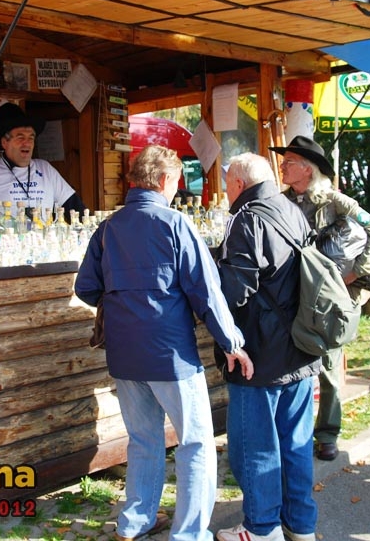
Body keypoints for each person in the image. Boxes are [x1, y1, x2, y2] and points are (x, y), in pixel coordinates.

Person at [75, 145, 254, 541]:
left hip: (124, 353)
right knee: (196, 444)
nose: (176, 190)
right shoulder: (175, 224)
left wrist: (125, 302)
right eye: (175, 182)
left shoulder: (108, 228)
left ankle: (133, 523)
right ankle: (188, 534)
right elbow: (206, 291)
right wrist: (231, 342)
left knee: (143, 440)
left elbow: (85, 287)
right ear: (162, 180)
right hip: (170, 353)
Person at [214, 153, 321, 541]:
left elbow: (235, 291)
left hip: (259, 355)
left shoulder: (246, 218)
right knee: (296, 444)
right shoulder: (293, 210)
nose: (226, 191)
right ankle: (300, 524)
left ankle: (260, 527)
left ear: (239, 184)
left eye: (227, 184)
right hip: (301, 347)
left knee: (254, 446)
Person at [269, 136, 370, 462]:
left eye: (289, 161)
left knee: (330, 367)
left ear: (307, 169)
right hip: (292, 296)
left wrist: (355, 274)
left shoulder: (336, 201)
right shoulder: (280, 202)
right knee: (290, 365)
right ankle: (291, 435)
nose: (282, 166)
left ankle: (327, 434)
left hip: (328, 302)